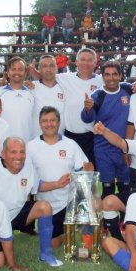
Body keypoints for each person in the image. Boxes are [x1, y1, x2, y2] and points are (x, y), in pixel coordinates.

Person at [0, 137, 62, 267]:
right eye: (13, 152)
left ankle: (46, 254)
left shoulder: (28, 167)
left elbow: (37, 186)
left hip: (18, 213)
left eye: (22, 152)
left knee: (44, 207)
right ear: (3, 154)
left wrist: (57, 184)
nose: (19, 156)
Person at [26, 106, 94, 248]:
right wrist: (56, 183)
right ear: (39, 123)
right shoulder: (30, 147)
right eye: (45, 121)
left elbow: (85, 169)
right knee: (54, 244)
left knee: (90, 199)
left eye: (52, 120)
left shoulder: (71, 144)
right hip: (46, 206)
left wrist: (89, 169)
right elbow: (28, 182)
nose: (49, 124)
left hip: (67, 203)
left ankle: (78, 225)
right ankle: (66, 229)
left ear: (58, 122)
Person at [81, 62, 133, 199]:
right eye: (107, 75)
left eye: (115, 74)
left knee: (125, 188)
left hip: (123, 149)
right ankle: (109, 220)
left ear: (120, 75)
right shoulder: (97, 95)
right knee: (108, 189)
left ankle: (125, 220)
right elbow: (87, 119)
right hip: (103, 150)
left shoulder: (128, 90)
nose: (111, 78)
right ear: (102, 76)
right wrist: (87, 109)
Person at [56, 48, 103, 164]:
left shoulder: (102, 80)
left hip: (92, 136)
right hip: (70, 135)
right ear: (76, 62)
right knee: (70, 171)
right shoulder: (64, 78)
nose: (85, 63)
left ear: (95, 63)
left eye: (89, 60)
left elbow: (119, 85)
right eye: (82, 59)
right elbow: (45, 77)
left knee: (90, 172)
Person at [0, 57, 36, 142]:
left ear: (25, 73)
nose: (17, 72)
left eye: (20, 69)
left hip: (26, 146)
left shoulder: (32, 93)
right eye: (13, 69)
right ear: (7, 73)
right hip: (4, 147)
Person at [30, 55, 65, 136]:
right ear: (39, 69)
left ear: (56, 68)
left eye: (51, 66)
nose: (48, 69)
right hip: (37, 139)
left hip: (60, 139)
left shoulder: (65, 87)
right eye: (44, 66)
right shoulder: (31, 87)